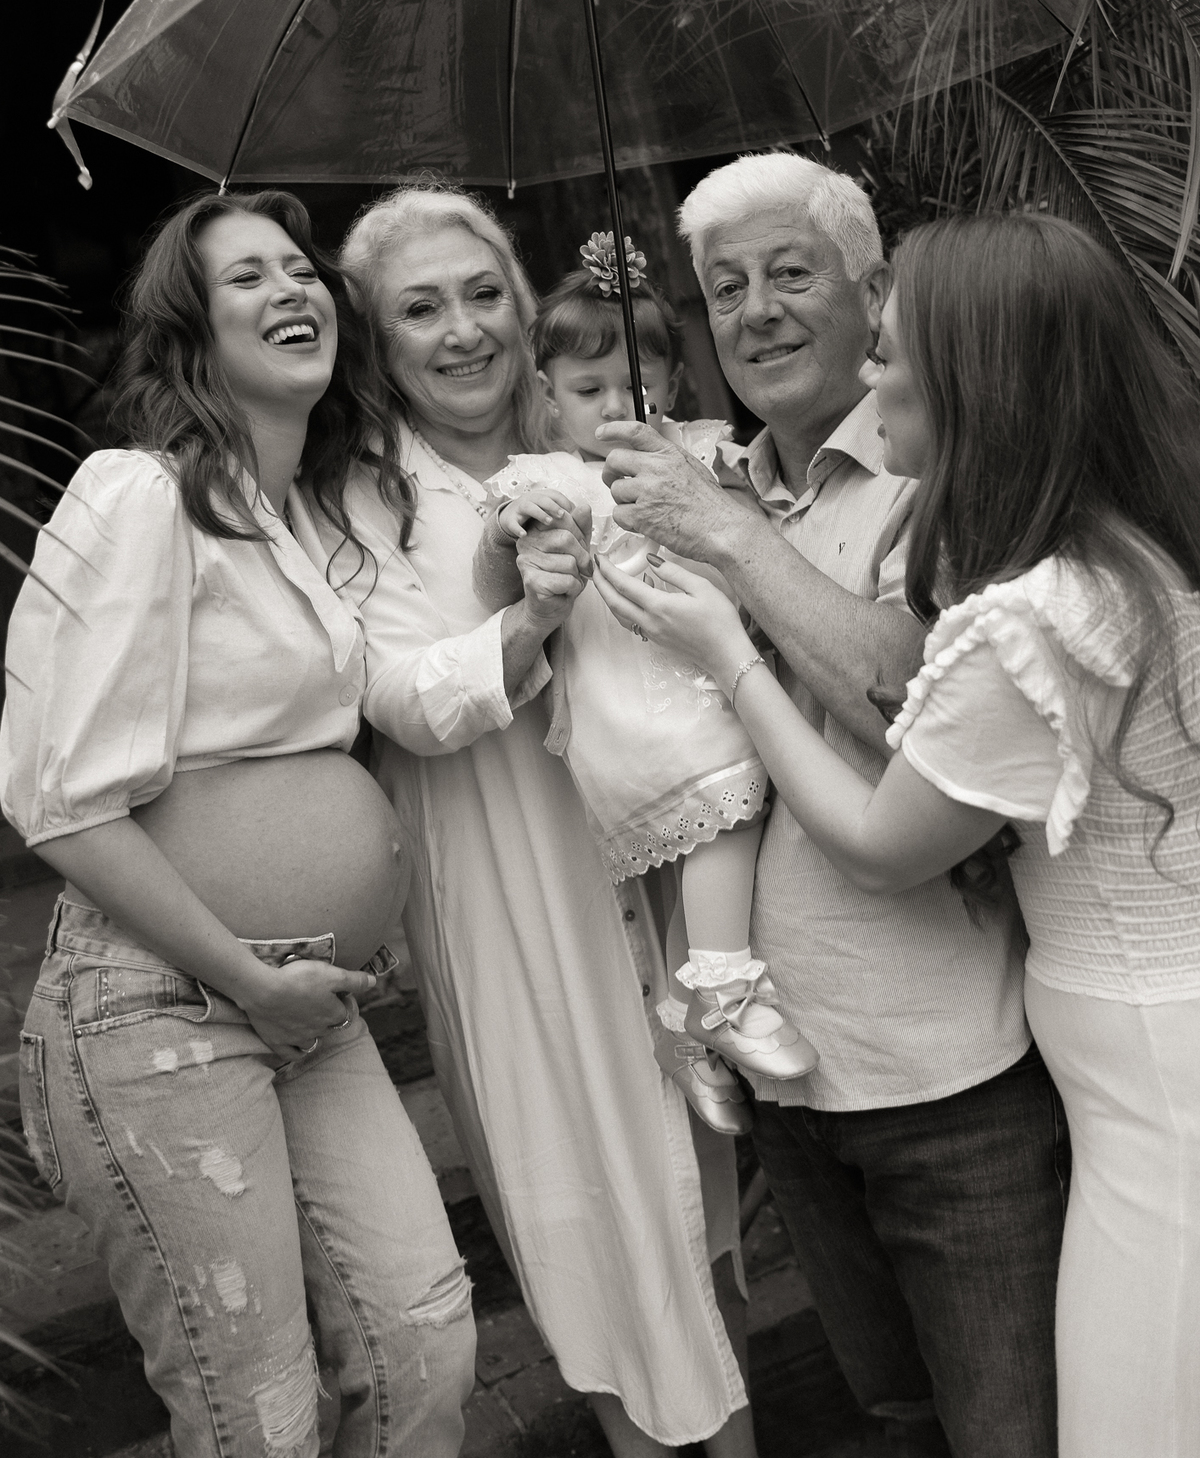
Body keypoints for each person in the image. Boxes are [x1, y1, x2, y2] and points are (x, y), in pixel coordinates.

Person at [595, 209, 1200, 1458]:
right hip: (930, 1071)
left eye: (886, 350)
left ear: (973, 381)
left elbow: (885, 831)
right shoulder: (1123, 553)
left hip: (1106, 1096)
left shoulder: (1026, 611)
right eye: (723, 288)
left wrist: (727, 643)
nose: (873, 382)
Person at [2, 191, 477, 1458]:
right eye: (247, 279)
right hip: (163, 1008)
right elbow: (56, 799)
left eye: (301, 269)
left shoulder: (294, 520)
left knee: (424, 1343)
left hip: (305, 1007)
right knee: (256, 1420)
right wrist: (247, 975)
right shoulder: (137, 495)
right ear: (189, 335)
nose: (292, 289)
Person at [321, 184, 755, 1458]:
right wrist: (527, 623)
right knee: (588, 1202)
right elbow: (398, 697)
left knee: (708, 1200)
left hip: (666, 861)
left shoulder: (599, 431)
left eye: (483, 296)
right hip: (512, 879)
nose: (463, 330)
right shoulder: (354, 499)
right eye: (421, 309)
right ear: (376, 339)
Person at [482, 234, 816, 1117]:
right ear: (548, 398)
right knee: (725, 809)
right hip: (630, 697)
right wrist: (518, 522)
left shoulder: (700, 452)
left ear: (669, 382)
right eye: (587, 391)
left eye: (637, 384)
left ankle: (684, 1019)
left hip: (702, 676)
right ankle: (724, 990)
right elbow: (499, 549)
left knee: (711, 840)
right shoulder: (550, 477)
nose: (615, 406)